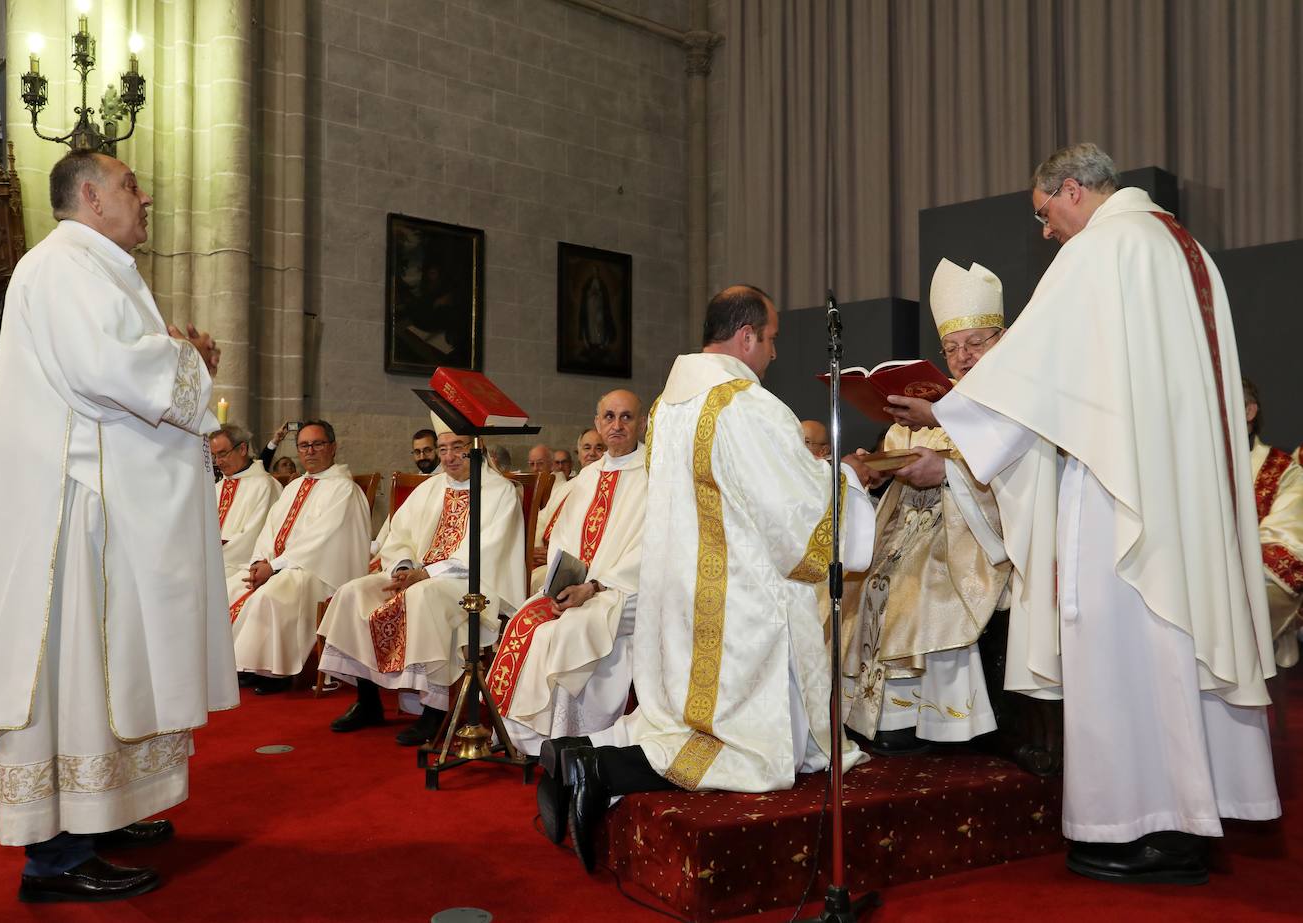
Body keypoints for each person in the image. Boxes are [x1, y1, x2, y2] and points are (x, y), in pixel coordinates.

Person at [887, 143, 1280, 884]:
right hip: (1180, 491)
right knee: (1173, 648)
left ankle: (1140, 828)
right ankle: (1188, 822)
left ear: (1072, 189)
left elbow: (1035, 367)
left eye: (1045, 214)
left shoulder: (1101, 250)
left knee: (1127, 649)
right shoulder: (1183, 248)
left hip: (1118, 495)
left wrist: (947, 406)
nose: (1045, 233)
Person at [0, 150, 238, 902]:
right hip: (72, 513)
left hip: (98, 502)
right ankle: (55, 854)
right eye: (129, 185)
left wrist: (176, 359)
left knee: (105, 666)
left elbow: (120, 368)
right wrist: (190, 360)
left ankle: (98, 808)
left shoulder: (92, 264)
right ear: (89, 194)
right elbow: (108, 369)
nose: (144, 197)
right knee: (75, 671)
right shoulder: (64, 266)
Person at [539, 284, 880, 871]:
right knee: (743, 749)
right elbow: (794, 514)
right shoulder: (744, 404)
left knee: (682, 716)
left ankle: (578, 751)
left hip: (685, 590)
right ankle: (600, 767)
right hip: (737, 600)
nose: (773, 353)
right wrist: (846, 481)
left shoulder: (671, 404)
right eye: (770, 339)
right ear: (746, 336)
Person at [839, 259, 1011, 752]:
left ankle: (930, 720)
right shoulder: (924, 409)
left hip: (971, 537)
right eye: (953, 348)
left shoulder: (1008, 403)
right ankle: (871, 715)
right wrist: (875, 466)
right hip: (912, 522)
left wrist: (948, 473)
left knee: (919, 583)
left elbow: (1017, 485)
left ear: (1000, 339)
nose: (963, 357)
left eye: (975, 344)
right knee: (868, 574)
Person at [318, 416, 527, 743]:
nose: (448, 457)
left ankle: (435, 711)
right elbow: (398, 534)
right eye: (443, 449)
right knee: (353, 592)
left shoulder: (499, 491)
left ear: (477, 447)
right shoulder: (429, 488)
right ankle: (368, 701)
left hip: (470, 584)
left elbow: (488, 550)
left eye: (457, 447)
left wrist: (426, 573)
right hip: (418, 576)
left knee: (423, 597)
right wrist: (403, 567)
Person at [486, 389, 648, 772]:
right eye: (609, 416)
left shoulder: (654, 476)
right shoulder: (587, 478)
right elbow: (563, 539)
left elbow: (651, 551)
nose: (617, 425)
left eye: (627, 417)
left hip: (624, 592)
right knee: (525, 622)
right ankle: (521, 738)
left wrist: (594, 587)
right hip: (578, 588)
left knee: (564, 632)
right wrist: (565, 583)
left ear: (642, 424)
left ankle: (562, 741)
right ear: (597, 423)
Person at [229, 420, 371, 694]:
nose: (310, 451)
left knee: (270, 596)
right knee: (232, 587)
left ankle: (275, 672)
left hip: (320, 572)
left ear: (333, 447)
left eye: (317, 444)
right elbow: (270, 529)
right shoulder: (294, 487)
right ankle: (248, 664)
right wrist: (260, 561)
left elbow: (320, 541)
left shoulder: (343, 489)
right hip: (284, 566)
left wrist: (275, 566)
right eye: (304, 445)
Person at [1243, 379, 1303, 668]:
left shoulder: (1282, 470)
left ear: (1248, 411)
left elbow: (1287, 544)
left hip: (1251, 610)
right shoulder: (1185, 468)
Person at [211, 424, 282, 585]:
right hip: (214, 561)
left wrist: (213, 555)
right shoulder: (216, 488)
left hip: (240, 565)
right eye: (214, 456)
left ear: (242, 449)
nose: (218, 462)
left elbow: (253, 534)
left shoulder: (265, 485)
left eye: (222, 454)